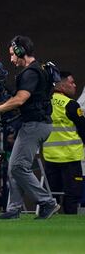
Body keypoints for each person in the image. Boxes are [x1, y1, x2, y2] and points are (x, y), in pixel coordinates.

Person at [0, 35, 60, 219]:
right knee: (13, 167)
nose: (12, 59)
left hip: (35, 125)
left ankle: (47, 202)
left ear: (21, 51)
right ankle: (14, 209)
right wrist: (2, 103)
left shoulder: (30, 72)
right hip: (36, 124)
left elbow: (21, 99)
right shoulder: (38, 69)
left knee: (18, 167)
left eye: (13, 54)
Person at [43, 71, 85, 214]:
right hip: (70, 158)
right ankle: (70, 229)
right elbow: (83, 130)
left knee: (52, 198)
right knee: (72, 197)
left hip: (50, 157)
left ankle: (48, 229)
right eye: (71, 82)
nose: (74, 85)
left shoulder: (44, 102)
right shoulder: (71, 105)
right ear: (61, 85)